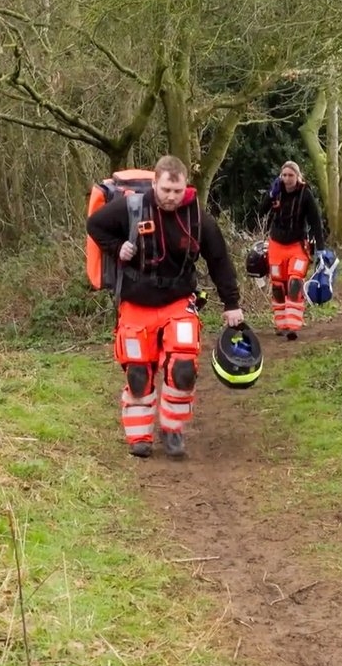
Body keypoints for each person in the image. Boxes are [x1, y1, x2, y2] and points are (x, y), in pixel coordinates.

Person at [86, 155, 244, 459]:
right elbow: (95, 225)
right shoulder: (130, 208)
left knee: (183, 369)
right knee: (138, 374)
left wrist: (232, 303)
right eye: (165, 190)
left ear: (186, 186)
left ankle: (172, 429)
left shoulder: (198, 217)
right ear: (154, 184)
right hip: (136, 304)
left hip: (178, 301)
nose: (171, 197)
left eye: (177, 190)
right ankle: (139, 437)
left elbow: (219, 260)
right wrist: (117, 248)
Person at [256, 161, 326, 340]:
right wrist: (270, 196)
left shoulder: (305, 194)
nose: (287, 179)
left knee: (295, 282)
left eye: (291, 175)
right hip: (276, 246)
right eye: (284, 175)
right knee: (278, 285)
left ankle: (293, 325)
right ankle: (281, 324)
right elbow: (261, 211)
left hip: (297, 246)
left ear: (297, 176)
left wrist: (320, 249)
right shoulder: (276, 192)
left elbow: (316, 222)